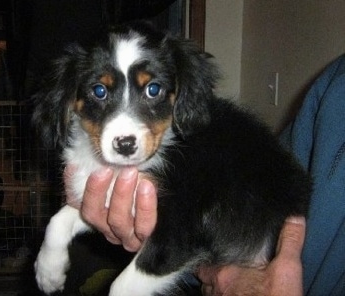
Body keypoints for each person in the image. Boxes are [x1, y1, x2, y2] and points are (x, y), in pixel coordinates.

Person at [66, 54, 345, 295]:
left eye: (152, 90)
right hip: (213, 253)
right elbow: (273, 179)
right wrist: (210, 270)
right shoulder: (335, 82)